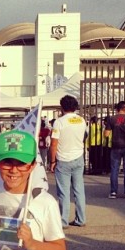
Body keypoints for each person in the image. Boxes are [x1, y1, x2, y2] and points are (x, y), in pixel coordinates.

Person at [49, 95, 87, 228]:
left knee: (64, 192)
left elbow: (54, 144)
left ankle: (63, 221)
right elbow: (84, 136)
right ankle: (81, 219)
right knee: (79, 190)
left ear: (62, 107)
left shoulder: (59, 122)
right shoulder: (82, 120)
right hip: (78, 157)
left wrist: (52, 161)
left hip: (63, 159)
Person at [104, 101, 125, 199]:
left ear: (117, 109)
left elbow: (106, 134)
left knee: (114, 169)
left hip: (115, 146)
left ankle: (113, 192)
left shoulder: (112, 119)